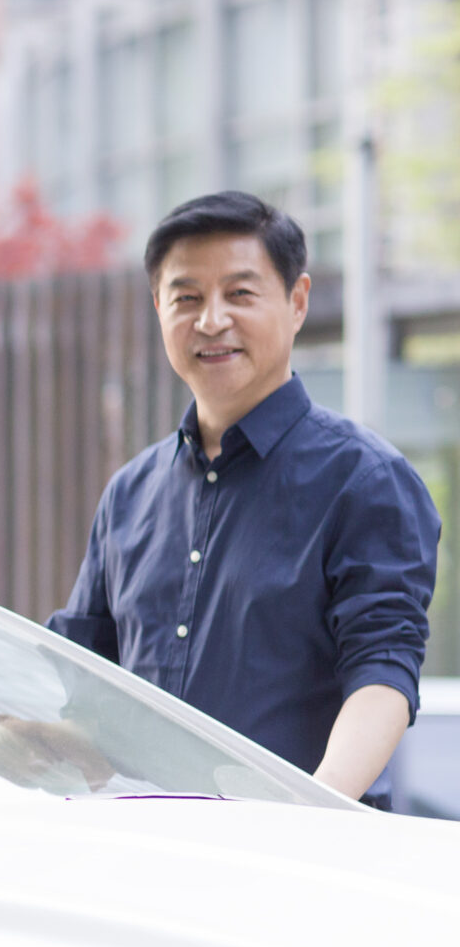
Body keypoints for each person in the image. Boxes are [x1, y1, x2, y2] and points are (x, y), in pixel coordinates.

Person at [47, 192, 440, 806]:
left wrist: (314, 811)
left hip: (297, 865)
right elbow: (86, 687)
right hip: (141, 862)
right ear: (158, 308)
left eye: (240, 293)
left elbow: (382, 672)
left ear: (297, 301)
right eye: (187, 297)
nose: (211, 320)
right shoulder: (129, 494)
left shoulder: (366, 481)